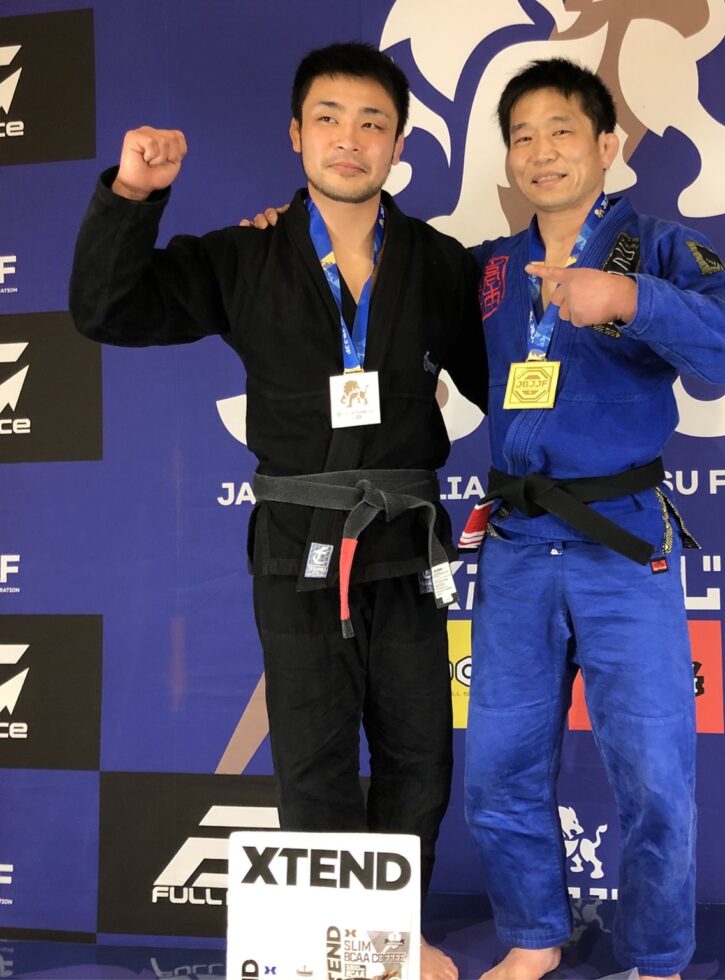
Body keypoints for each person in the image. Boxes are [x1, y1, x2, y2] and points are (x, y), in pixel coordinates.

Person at [69, 42, 487, 980]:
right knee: (312, 759)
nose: (350, 139)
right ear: (296, 134)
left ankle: (393, 937)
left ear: (398, 143)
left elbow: (507, 382)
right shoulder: (247, 255)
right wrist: (133, 195)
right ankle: (340, 949)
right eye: (329, 119)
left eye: (373, 122)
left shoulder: (440, 265)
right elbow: (106, 310)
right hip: (299, 549)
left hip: (408, 548)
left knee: (421, 757)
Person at [460, 58, 725, 980]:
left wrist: (631, 300)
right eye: (522, 136)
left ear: (608, 144)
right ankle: (532, 937)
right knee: (500, 767)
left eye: (561, 130)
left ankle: (658, 957)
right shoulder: (489, 268)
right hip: (517, 542)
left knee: (654, 775)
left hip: (622, 539)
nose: (541, 151)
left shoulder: (659, 247)